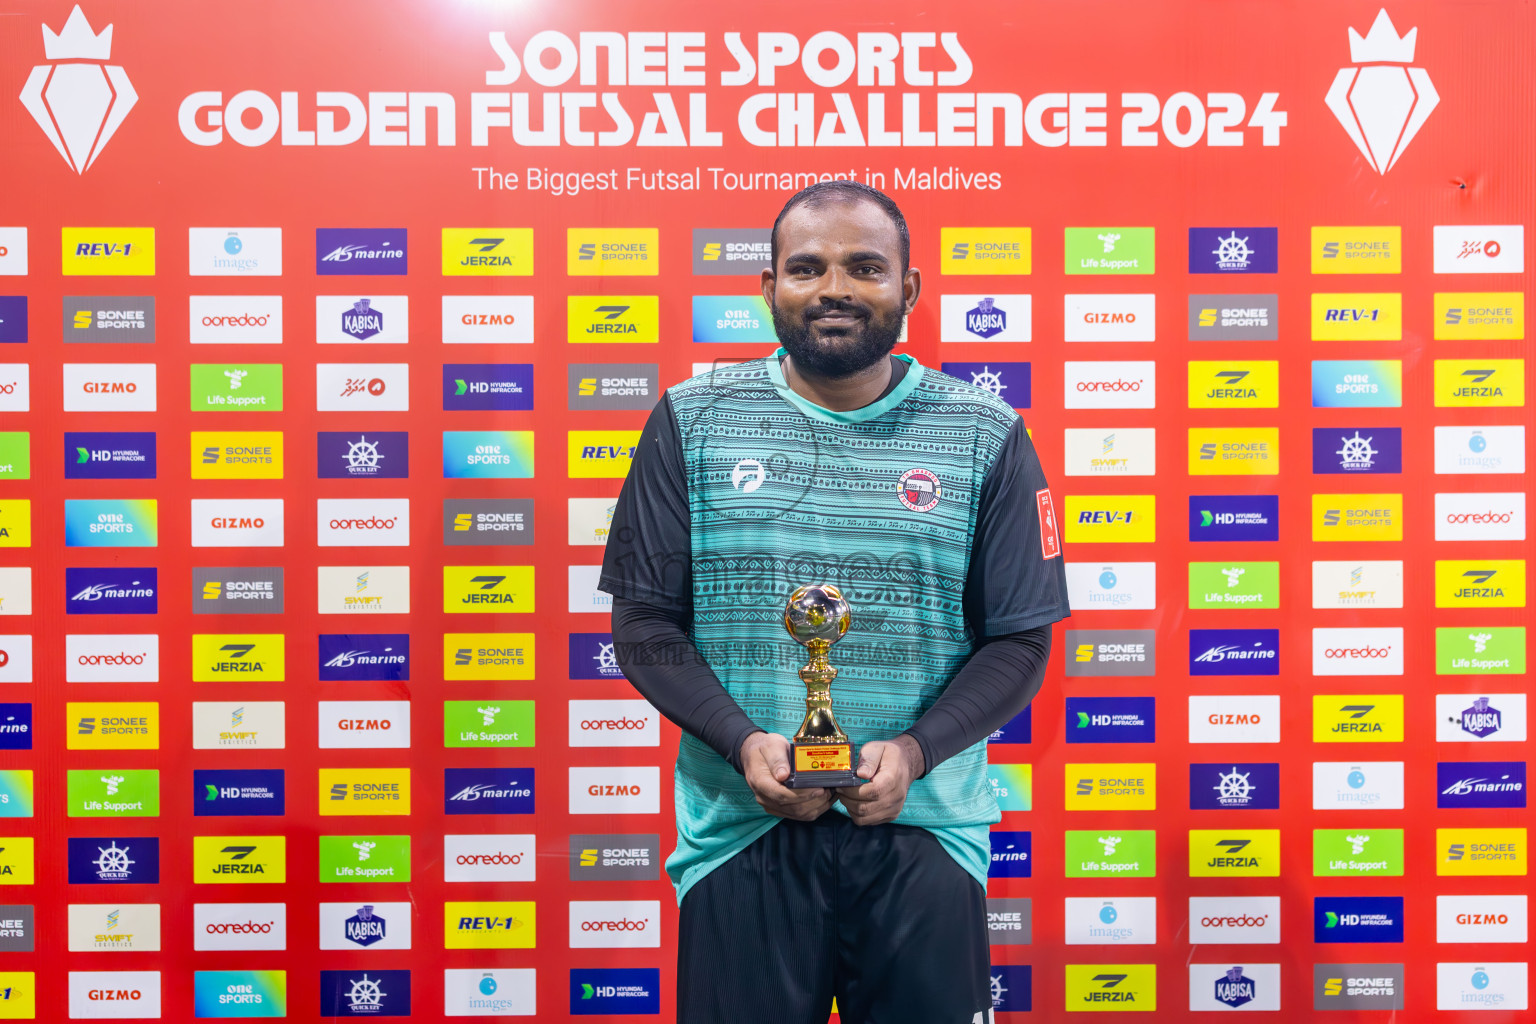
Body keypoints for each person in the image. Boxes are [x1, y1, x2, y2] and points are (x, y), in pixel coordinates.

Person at [599, 180, 1069, 1024]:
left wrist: (917, 754)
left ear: (909, 289)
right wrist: (743, 743)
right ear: (769, 286)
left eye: (864, 267)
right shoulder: (690, 419)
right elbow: (643, 624)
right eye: (807, 268)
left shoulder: (985, 431)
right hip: (740, 830)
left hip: (924, 829)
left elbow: (1018, 643)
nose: (834, 290)